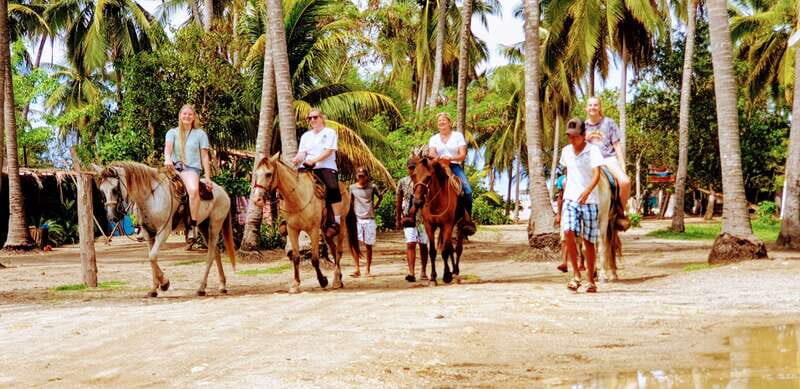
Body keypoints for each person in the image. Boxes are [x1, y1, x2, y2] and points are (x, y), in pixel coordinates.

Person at [559, 118, 604, 293]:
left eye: (575, 136)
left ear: (583, 136)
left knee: (589, 241)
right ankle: (576, 275)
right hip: (570, 199)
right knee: (568, 231)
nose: (571, 139)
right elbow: (567, 172)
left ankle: (591, 280)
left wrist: (587, 191)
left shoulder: (593, 151)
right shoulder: (566, 152)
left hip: (590, 201)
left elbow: (597, 174)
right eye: (569, 136)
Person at [292, 108, 341, 238]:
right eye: (310, 118)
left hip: (325, 166)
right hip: (307, 166)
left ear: (322, 118)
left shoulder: (329, 132)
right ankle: (288, 218)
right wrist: (297, 159)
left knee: (333, 188)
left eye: (315, 117)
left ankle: (336, 221)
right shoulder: (306, 136)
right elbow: (302, 153)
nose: (312, 120)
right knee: (291, 186)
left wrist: (314, 161)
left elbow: (329, 151)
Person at [164, 104, 213, 230]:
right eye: (184, 114)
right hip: (173, 167)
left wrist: (207, 177)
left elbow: (205, 157)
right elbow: (168, 148)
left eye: (190, 114)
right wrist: (167, 159)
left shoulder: (200, 134)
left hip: (190, 168)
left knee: (193, 190)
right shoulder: (172, 132)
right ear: (180, 116)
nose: (187, 116)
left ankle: (192, 225)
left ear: (194, 117)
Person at [427, 112, 476, 235]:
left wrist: (450, 158)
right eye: (439, 121)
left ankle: (467, 220)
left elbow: (462, 155)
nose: (441, 122)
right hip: (438, 166)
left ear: (450, 122)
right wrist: (438, 159)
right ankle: (416, 215)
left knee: (468, 191)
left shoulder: (458, 136)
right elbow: (431, 153)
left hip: (453, 166)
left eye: (444, 120)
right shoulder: (433, 138)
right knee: (421, 186)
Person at [585, 97, 631, 218]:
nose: (592, 108)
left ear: (600, 107)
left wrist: (622, 165)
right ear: (586, 108)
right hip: (589, 161)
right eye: (590, 105)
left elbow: (616, 145)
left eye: (595, 105)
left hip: (608, 159)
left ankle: (620, 211)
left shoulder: (609, 123)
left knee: (625, 182)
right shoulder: (583, 126)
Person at [396, 158, 429, 282]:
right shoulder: (403, 182)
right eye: (410, 167)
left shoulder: (425, 180)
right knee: (410, 243)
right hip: (408, 217)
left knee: (423, 244)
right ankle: (411, 272)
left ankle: (424, 271)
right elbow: (398, 200)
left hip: (422, 218)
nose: (412, 170)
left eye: (414, 167)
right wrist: (398, 218)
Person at [349, 167, 382, 278]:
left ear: (366, 176)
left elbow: (380, 196)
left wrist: (376, 205)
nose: (361, 178)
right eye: (359, 176)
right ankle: (357, 268)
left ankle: (367, 269)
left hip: (369, 218)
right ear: (357, 176)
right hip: (357, 219)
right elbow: (349, 203)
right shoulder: (352, 188)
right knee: (355, 244)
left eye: (363, 175)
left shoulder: (372, 187)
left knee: (368, 245)